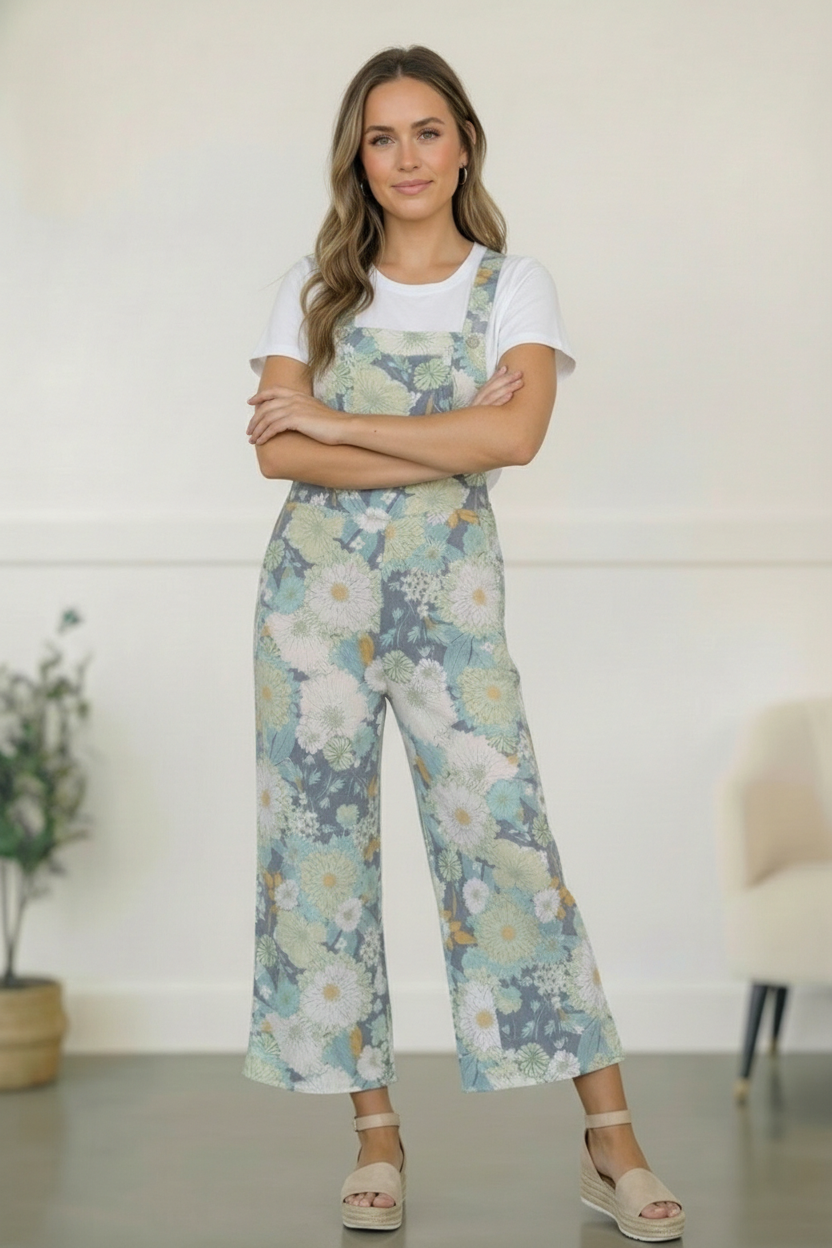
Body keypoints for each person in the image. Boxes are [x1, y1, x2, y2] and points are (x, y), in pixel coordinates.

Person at [242, 45, 685, 1241]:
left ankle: (611, 1145)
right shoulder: (313, 286)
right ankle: (375, 1140)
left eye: (425, 132)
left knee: (509, 850)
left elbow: (518, 440)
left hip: (452, 614)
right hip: (310, 610)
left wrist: (340, 416)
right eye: (381, 138)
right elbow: (278, 458)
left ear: (464, 142)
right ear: (358, 158)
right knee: (320, 866)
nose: (405, 159)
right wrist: (442, 432)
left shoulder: (513, 285)